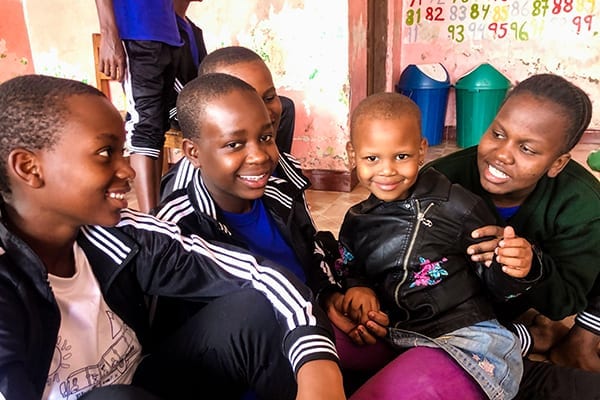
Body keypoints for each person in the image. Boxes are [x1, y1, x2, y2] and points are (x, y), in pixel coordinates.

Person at [0, 74, 346, 400]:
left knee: (253, 306)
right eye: (106, 153)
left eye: (123, 151)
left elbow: (263, 278)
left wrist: (320, 371)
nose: (127, 170)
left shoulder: (125, 235)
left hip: (150, 385)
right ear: (29, 168)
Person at [337, 92, 540, 399]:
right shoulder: (356, 219)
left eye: (401, 156)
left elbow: (499, 287)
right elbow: (350, 267)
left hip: (461, 339)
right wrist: (358, 287)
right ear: (353, 155)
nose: (387, 170)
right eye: (371, 158)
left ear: (421, 151)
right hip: (393, 335)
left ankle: (518, 341)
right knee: (315, 338)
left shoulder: (459, 207)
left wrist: (516, 266)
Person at [424, 73, 600, 399]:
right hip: (467, 306)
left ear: (557, 163)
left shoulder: (583, 205)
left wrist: (533, 267)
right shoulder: (442, 180)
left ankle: (581, 341)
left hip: (549, 292)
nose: (502, 154)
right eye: (498, 133)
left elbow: (566, 300)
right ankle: (533, 336)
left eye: (527, 149)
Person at [160, 45, 296, 200]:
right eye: (233, 145)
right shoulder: (183, 207)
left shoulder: (290, 171)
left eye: (269, 98)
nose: (261, 113)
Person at [94, 0, 186, 213]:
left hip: (167, 32)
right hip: (135, 30)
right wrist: (109, 33)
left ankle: (157, 214)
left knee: (158, 126)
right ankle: (150, 220)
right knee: (144, 124)